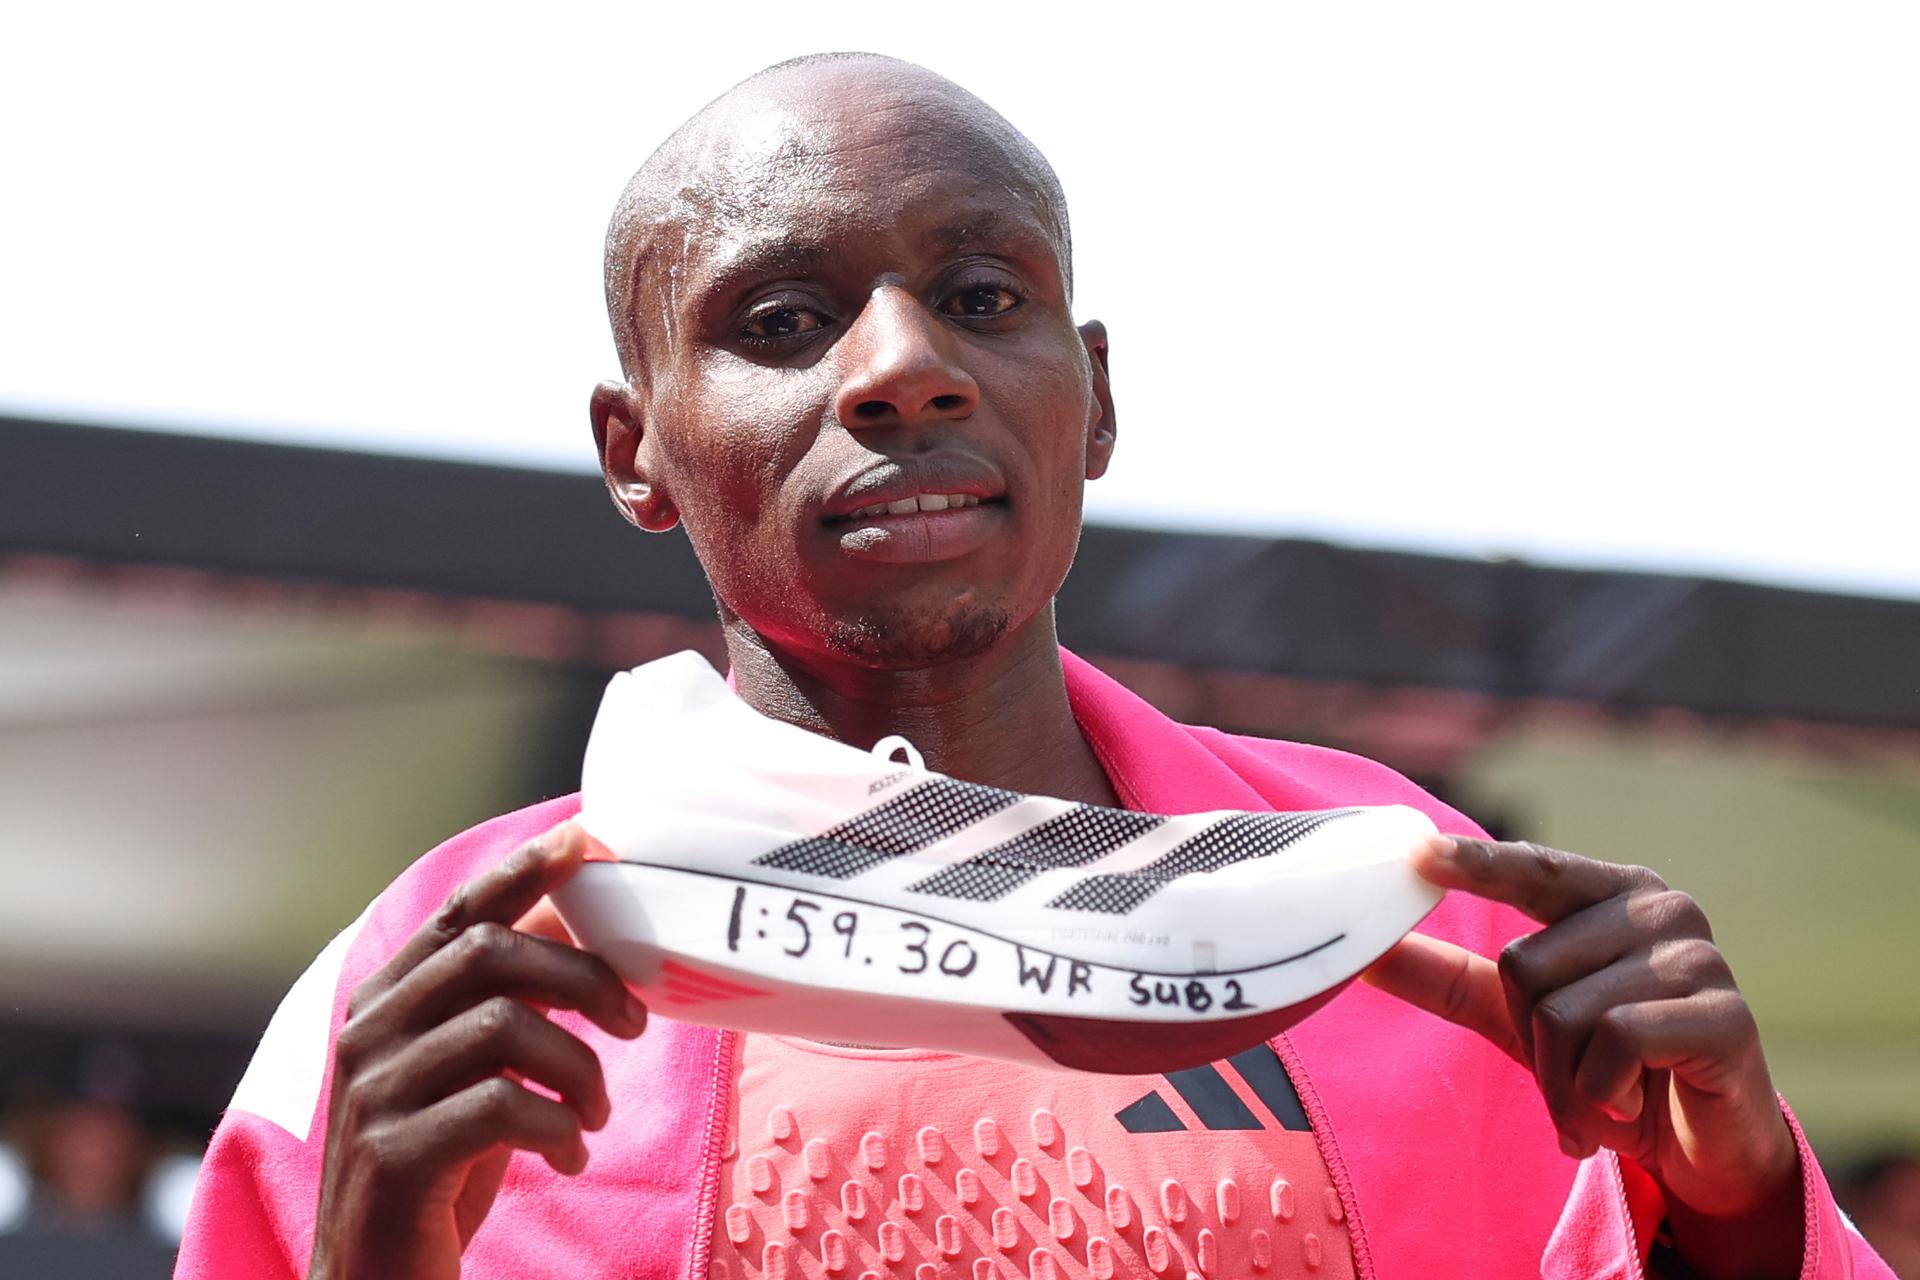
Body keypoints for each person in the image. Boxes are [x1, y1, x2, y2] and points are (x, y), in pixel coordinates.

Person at [175, 54, 1891, 1279]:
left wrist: (1735, 1224)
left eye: (982, 294)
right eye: (781, 323)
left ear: (1098, 399)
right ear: (637, 452)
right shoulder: (434, 985)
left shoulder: (1418, 908)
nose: (905, 368)